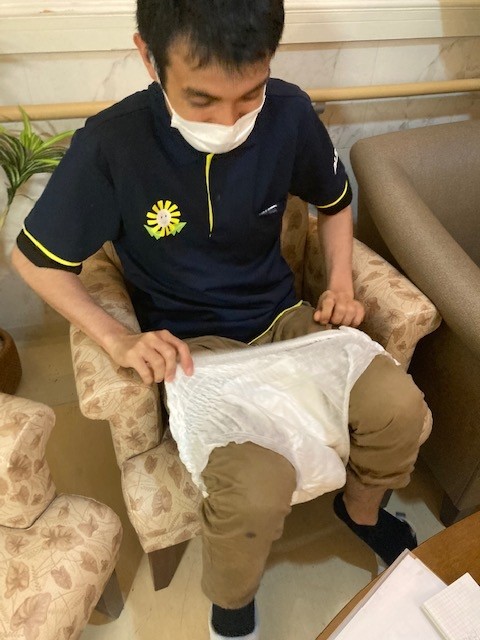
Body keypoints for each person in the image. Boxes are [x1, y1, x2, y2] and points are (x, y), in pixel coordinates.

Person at [12, 1, 427, 638]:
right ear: (148, 56)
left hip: (283, 320)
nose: (229, 122)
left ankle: (362, 512)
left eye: (248, 95)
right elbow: (34, 259)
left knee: (401, 411)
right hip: (193, 349)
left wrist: (341, 283)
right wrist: (117, 338)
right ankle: (231, 607)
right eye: (201, 99)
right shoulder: (112, 145)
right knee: (256, 489)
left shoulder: (288, 112)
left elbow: (335, 201)